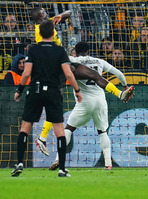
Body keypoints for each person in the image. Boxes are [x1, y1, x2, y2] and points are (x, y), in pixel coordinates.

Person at [11, 20, 83, 177]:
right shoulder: (59, 51)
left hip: (35, 90)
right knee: (59, 130)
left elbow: (26, 73)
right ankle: (62, 169)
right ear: (53, 33)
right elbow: (68, 73)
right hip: (53, 92)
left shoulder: (33, 50)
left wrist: (20, 90)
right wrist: (77, 90)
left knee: (25, 128)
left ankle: (19, 163)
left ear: (40, 33)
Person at [49, 42, 133, 171]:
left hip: (84, 101)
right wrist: (125, 85)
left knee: (69, 129)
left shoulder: (73, 60)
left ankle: (57, 159)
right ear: (89, 51)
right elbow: (119, 74)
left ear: (75, 52)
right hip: (100, 100)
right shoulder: (100, 62)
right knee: (102, 132)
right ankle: (108, 164)